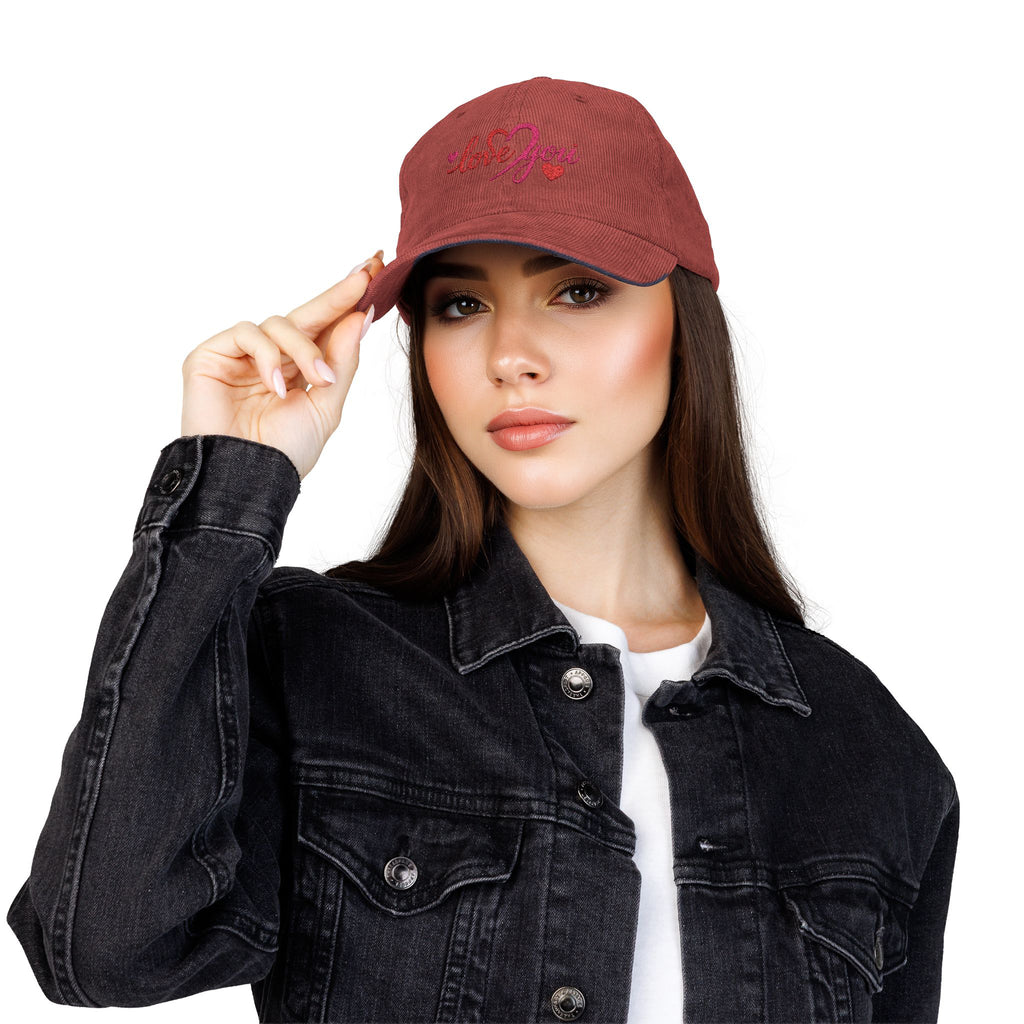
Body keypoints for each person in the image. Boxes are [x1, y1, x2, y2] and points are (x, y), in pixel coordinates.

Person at [7, 77, 957, 1024]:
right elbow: (106, 951)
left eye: (577, 292)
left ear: (683, 322)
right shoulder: (313, 658)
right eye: (461, 306)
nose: (511, 354)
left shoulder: (864, 747)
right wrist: (231, 481)